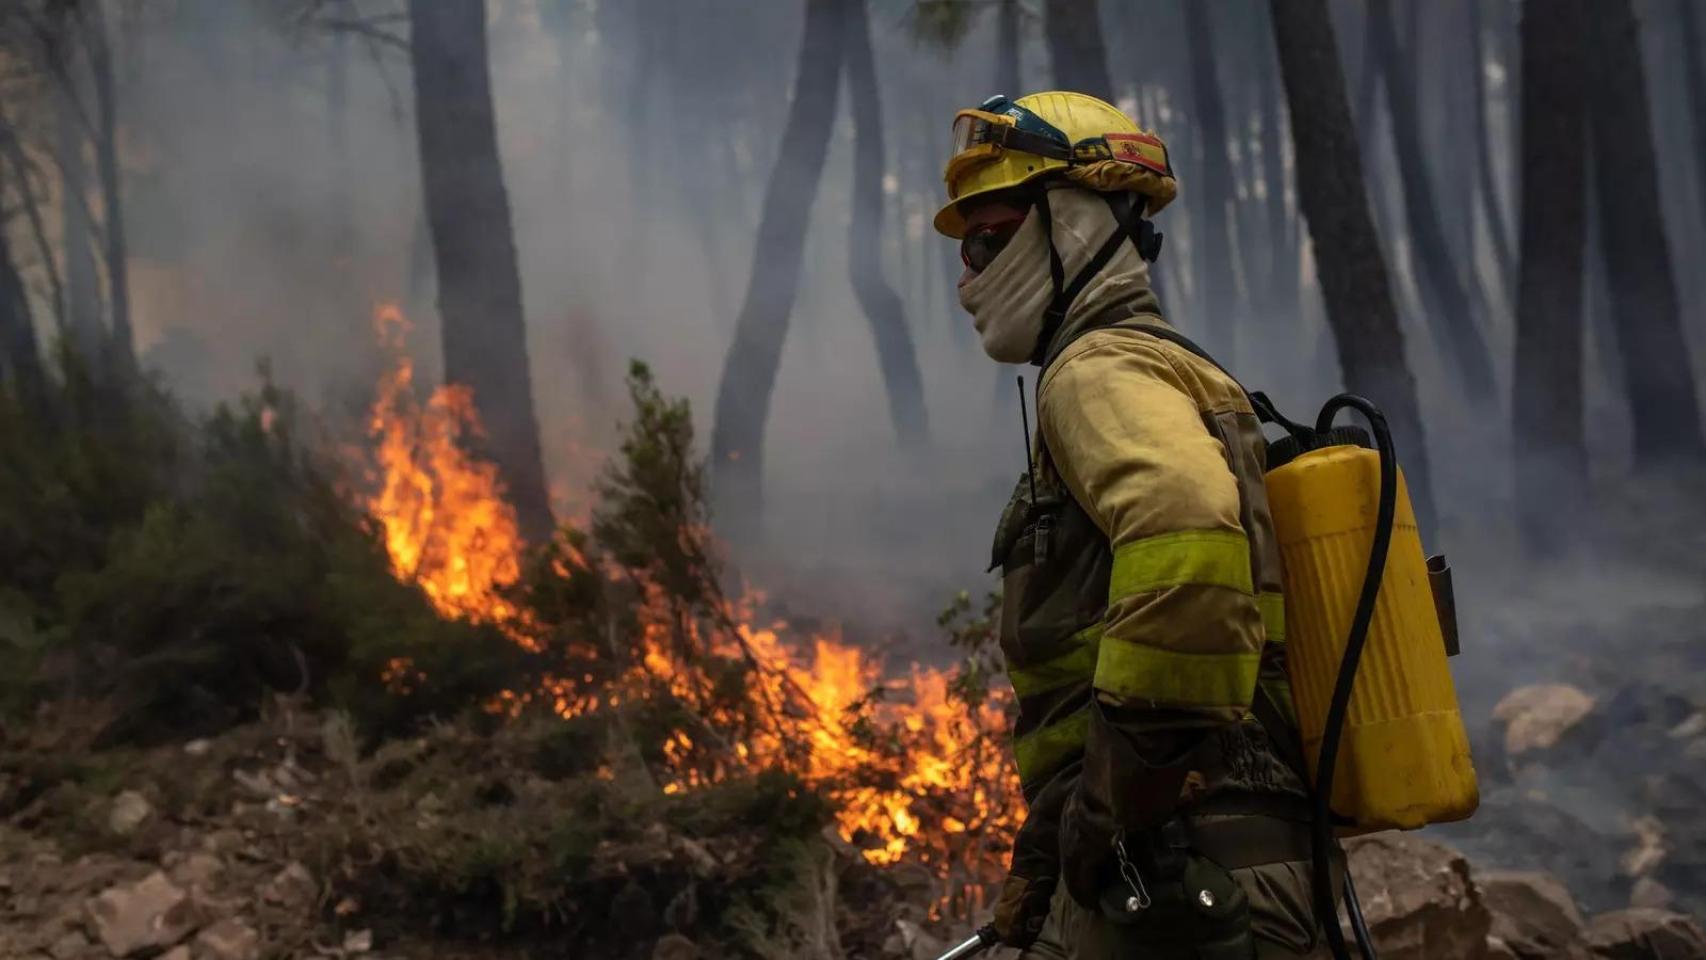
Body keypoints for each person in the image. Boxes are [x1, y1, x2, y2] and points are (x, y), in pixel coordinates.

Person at [937, 91, 1335, 959]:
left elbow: (1189, 552)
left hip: (1178, 879)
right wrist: (1051, 852)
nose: (967, 276)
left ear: (1071, 225)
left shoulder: (1096, 371)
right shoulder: (1173, 371)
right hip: (1202, 867)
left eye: (986, 239)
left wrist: (1108, 812)